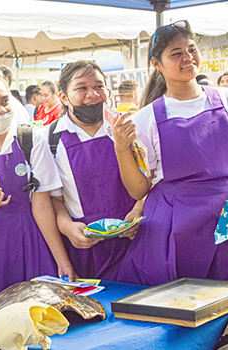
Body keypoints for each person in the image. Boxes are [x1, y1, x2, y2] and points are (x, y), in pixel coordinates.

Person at [113, 20, 228, 286]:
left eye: (192, 49)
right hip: (174, 224)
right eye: (176, 53)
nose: (188, 58)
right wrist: (121, 148)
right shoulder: (145, 119)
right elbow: (139, 189)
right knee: (175, 305)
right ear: (157, 64)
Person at [0, 69, 75, 305]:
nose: (1, 110)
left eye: (5, 101)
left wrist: (62, 259)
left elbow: (42, 207)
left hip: (28, 239)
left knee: (38, 315)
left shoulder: (30, 140)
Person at [48, 60, 143, 281]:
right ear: (63, 97)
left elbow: (151, 180)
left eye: (99, 86)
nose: (93, 94)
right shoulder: (49, 139)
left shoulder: (130, 128)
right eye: (81, 88)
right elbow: (54, 199)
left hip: (134, 240)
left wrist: (139, 209)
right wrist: (67, 227)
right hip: (83, 247)